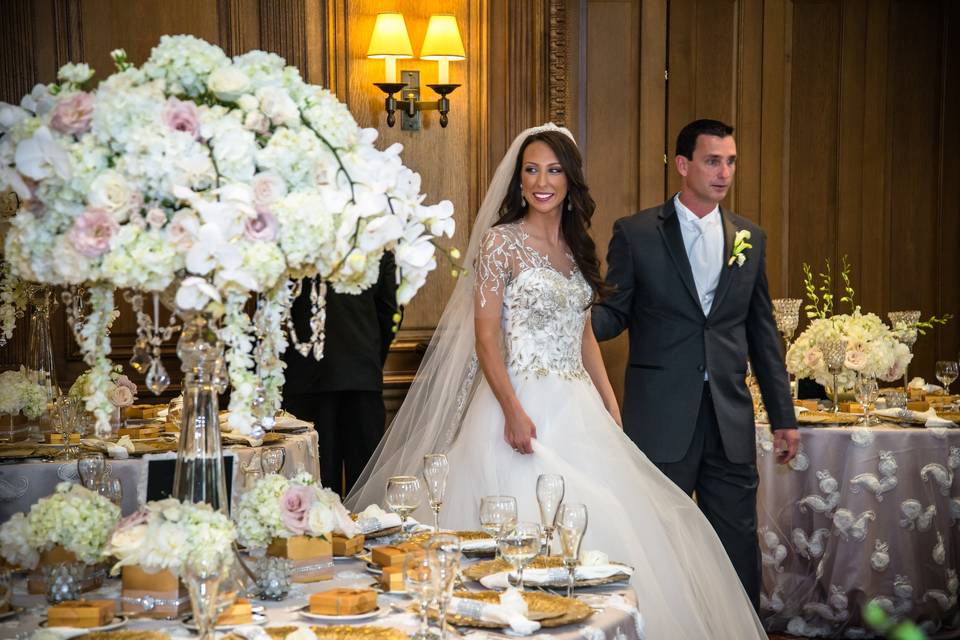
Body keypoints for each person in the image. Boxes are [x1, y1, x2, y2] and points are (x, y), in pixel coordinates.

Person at [347, 124, 767, 638]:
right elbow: (485, 340)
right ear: (518, 179)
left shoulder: (575, 245)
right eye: (531, 170)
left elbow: (584, 333)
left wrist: (610, 404)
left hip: (578, 404)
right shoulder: (501, 243)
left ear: (570, 180)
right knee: (516, 536)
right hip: (518, 403)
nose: (542, 181)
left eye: (553, 170)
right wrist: (512, 411)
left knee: (604, 525)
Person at [591, 118, 799, 609]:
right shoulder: (637, 233)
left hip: (729, 418)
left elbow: (762, 333)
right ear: (683, 165)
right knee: (653, 540)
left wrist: (783, 415)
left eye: (730, 161)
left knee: (737, 545)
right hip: (660, 417)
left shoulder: (751, 237)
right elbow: (613, 313)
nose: (724, 172)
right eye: (712, 161)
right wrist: (564, 324)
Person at [282, 252, 398, 496]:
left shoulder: (294, 235)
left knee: (312, 491)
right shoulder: (375, 239)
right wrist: (369, 359)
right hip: (360, 373)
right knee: (366, 494)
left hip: (305, 374)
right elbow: (390, 312)